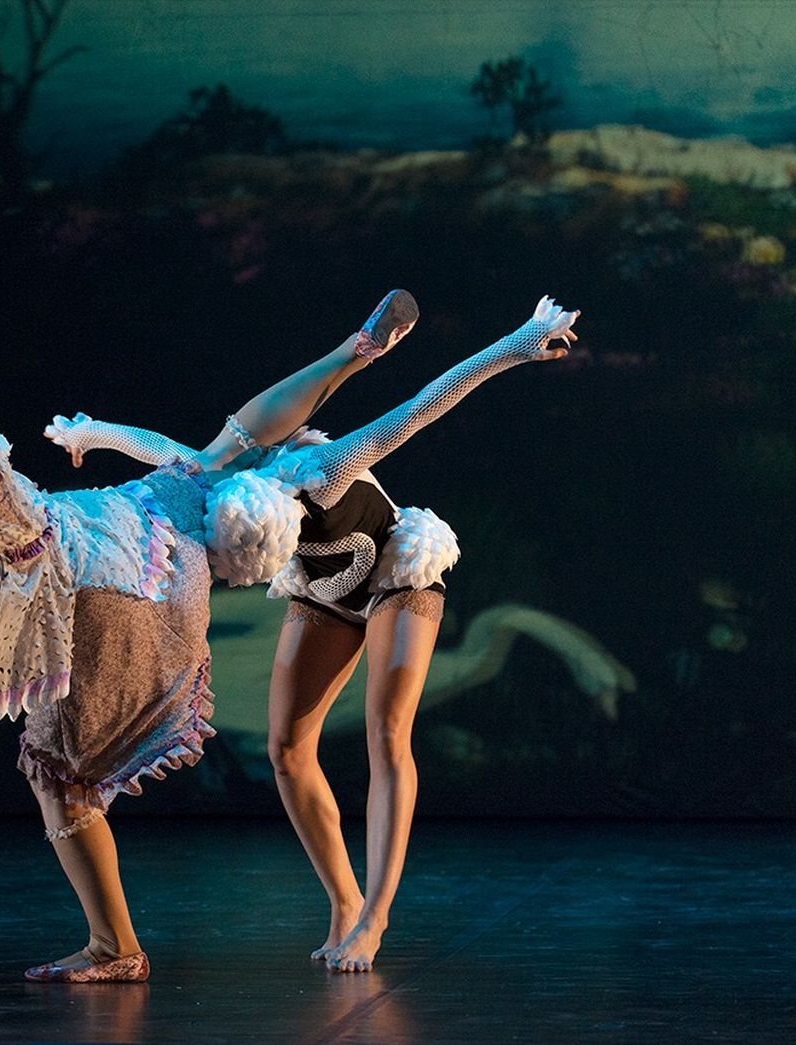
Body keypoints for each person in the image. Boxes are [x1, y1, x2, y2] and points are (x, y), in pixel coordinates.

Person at [43, 294, 579, 975]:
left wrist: (520, 343)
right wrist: (92, 433)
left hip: (397, 573)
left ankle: (377, 914)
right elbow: (157, 449)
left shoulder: (328, 472)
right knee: (288, 749)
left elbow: (421, 406)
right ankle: (344, 900)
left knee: (389, 732)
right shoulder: (218, 477)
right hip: (326, 591)